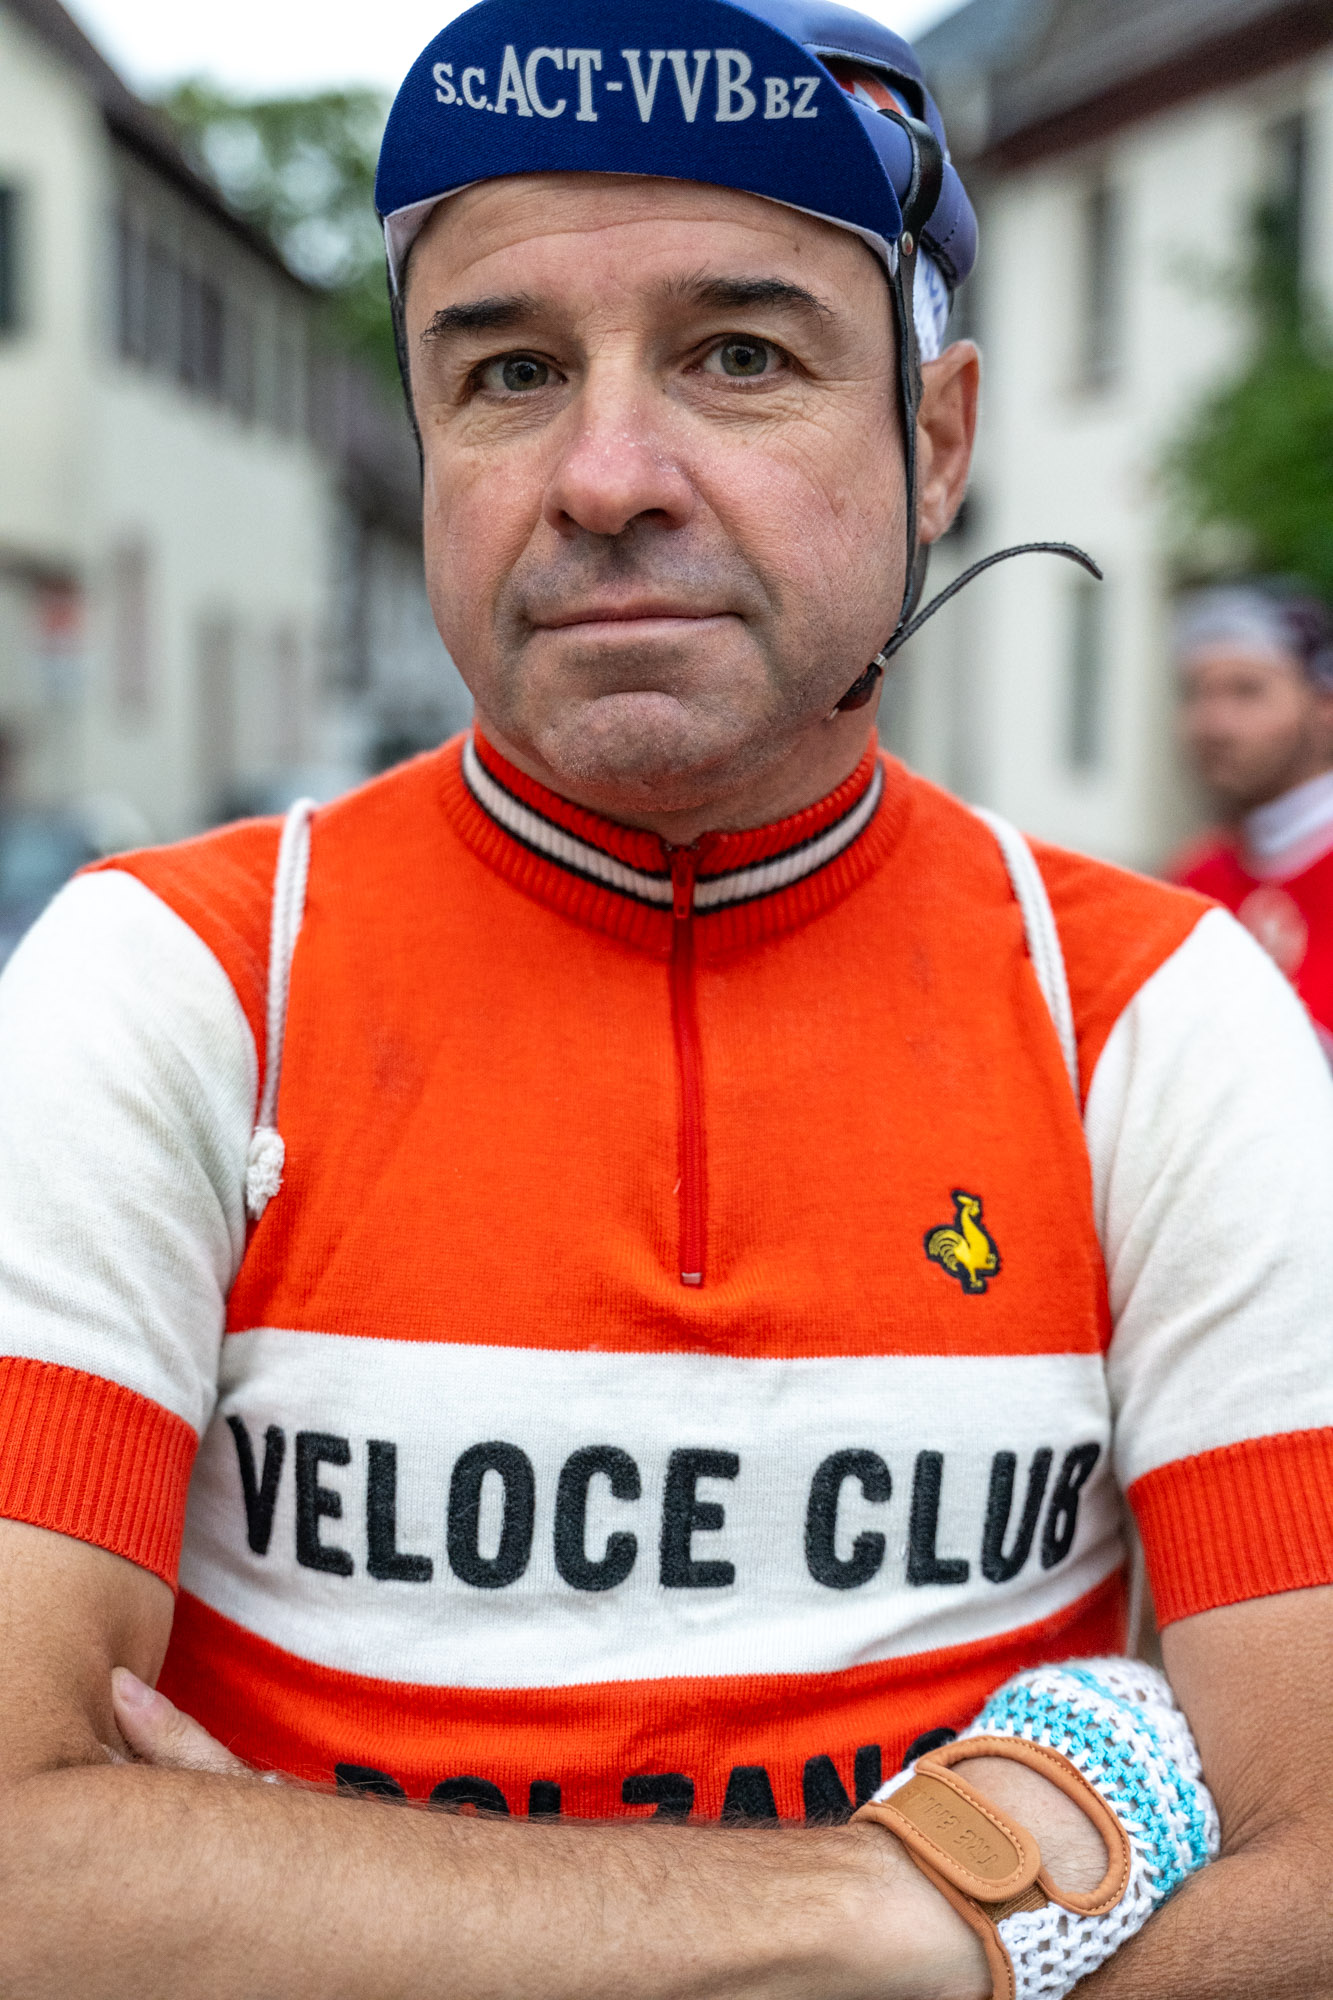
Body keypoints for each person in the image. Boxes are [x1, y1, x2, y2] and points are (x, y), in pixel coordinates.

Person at [0, 3, 1330, 1995]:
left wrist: (262, 1901)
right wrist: (889, 1916)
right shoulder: (177, 974)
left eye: (739, 355)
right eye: (510, 372)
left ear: (935, 442)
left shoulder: (1150, 1012)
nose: (606, 476)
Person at [1170, 582, 1333, 1053]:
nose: (1215, 724)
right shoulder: (1195, 880)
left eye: (1248, 691)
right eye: (1197, 693)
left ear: (1324, 707)